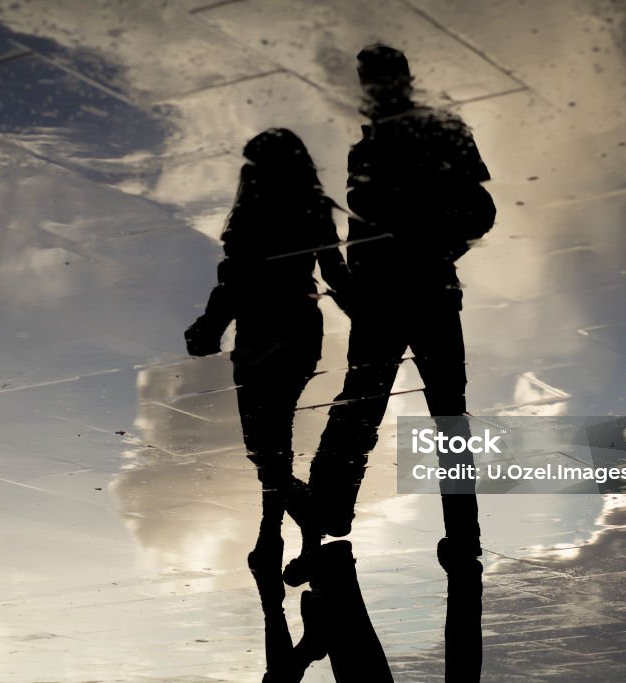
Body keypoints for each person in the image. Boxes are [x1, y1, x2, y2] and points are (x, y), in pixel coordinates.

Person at [304, 44, 496, 569]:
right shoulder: (366, 147)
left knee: (385, 406)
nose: (372, 89)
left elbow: (480, 210)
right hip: (401, 293)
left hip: (415, 290)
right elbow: (361, 229)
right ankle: (337, 513)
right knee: (404, 409)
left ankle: (333, 513)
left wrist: (433, 250)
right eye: (367, 79)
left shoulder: (438, 131)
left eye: (376, 78)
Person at [185, 128, 352, 575]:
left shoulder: (253, 215)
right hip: (287, 331)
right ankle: (280, 538)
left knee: (267, 448)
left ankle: (296, 529)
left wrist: (210, 325)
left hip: (269, 335)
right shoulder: (308, 208)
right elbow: (335, 272)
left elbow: (233, 281)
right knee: (271, 446)